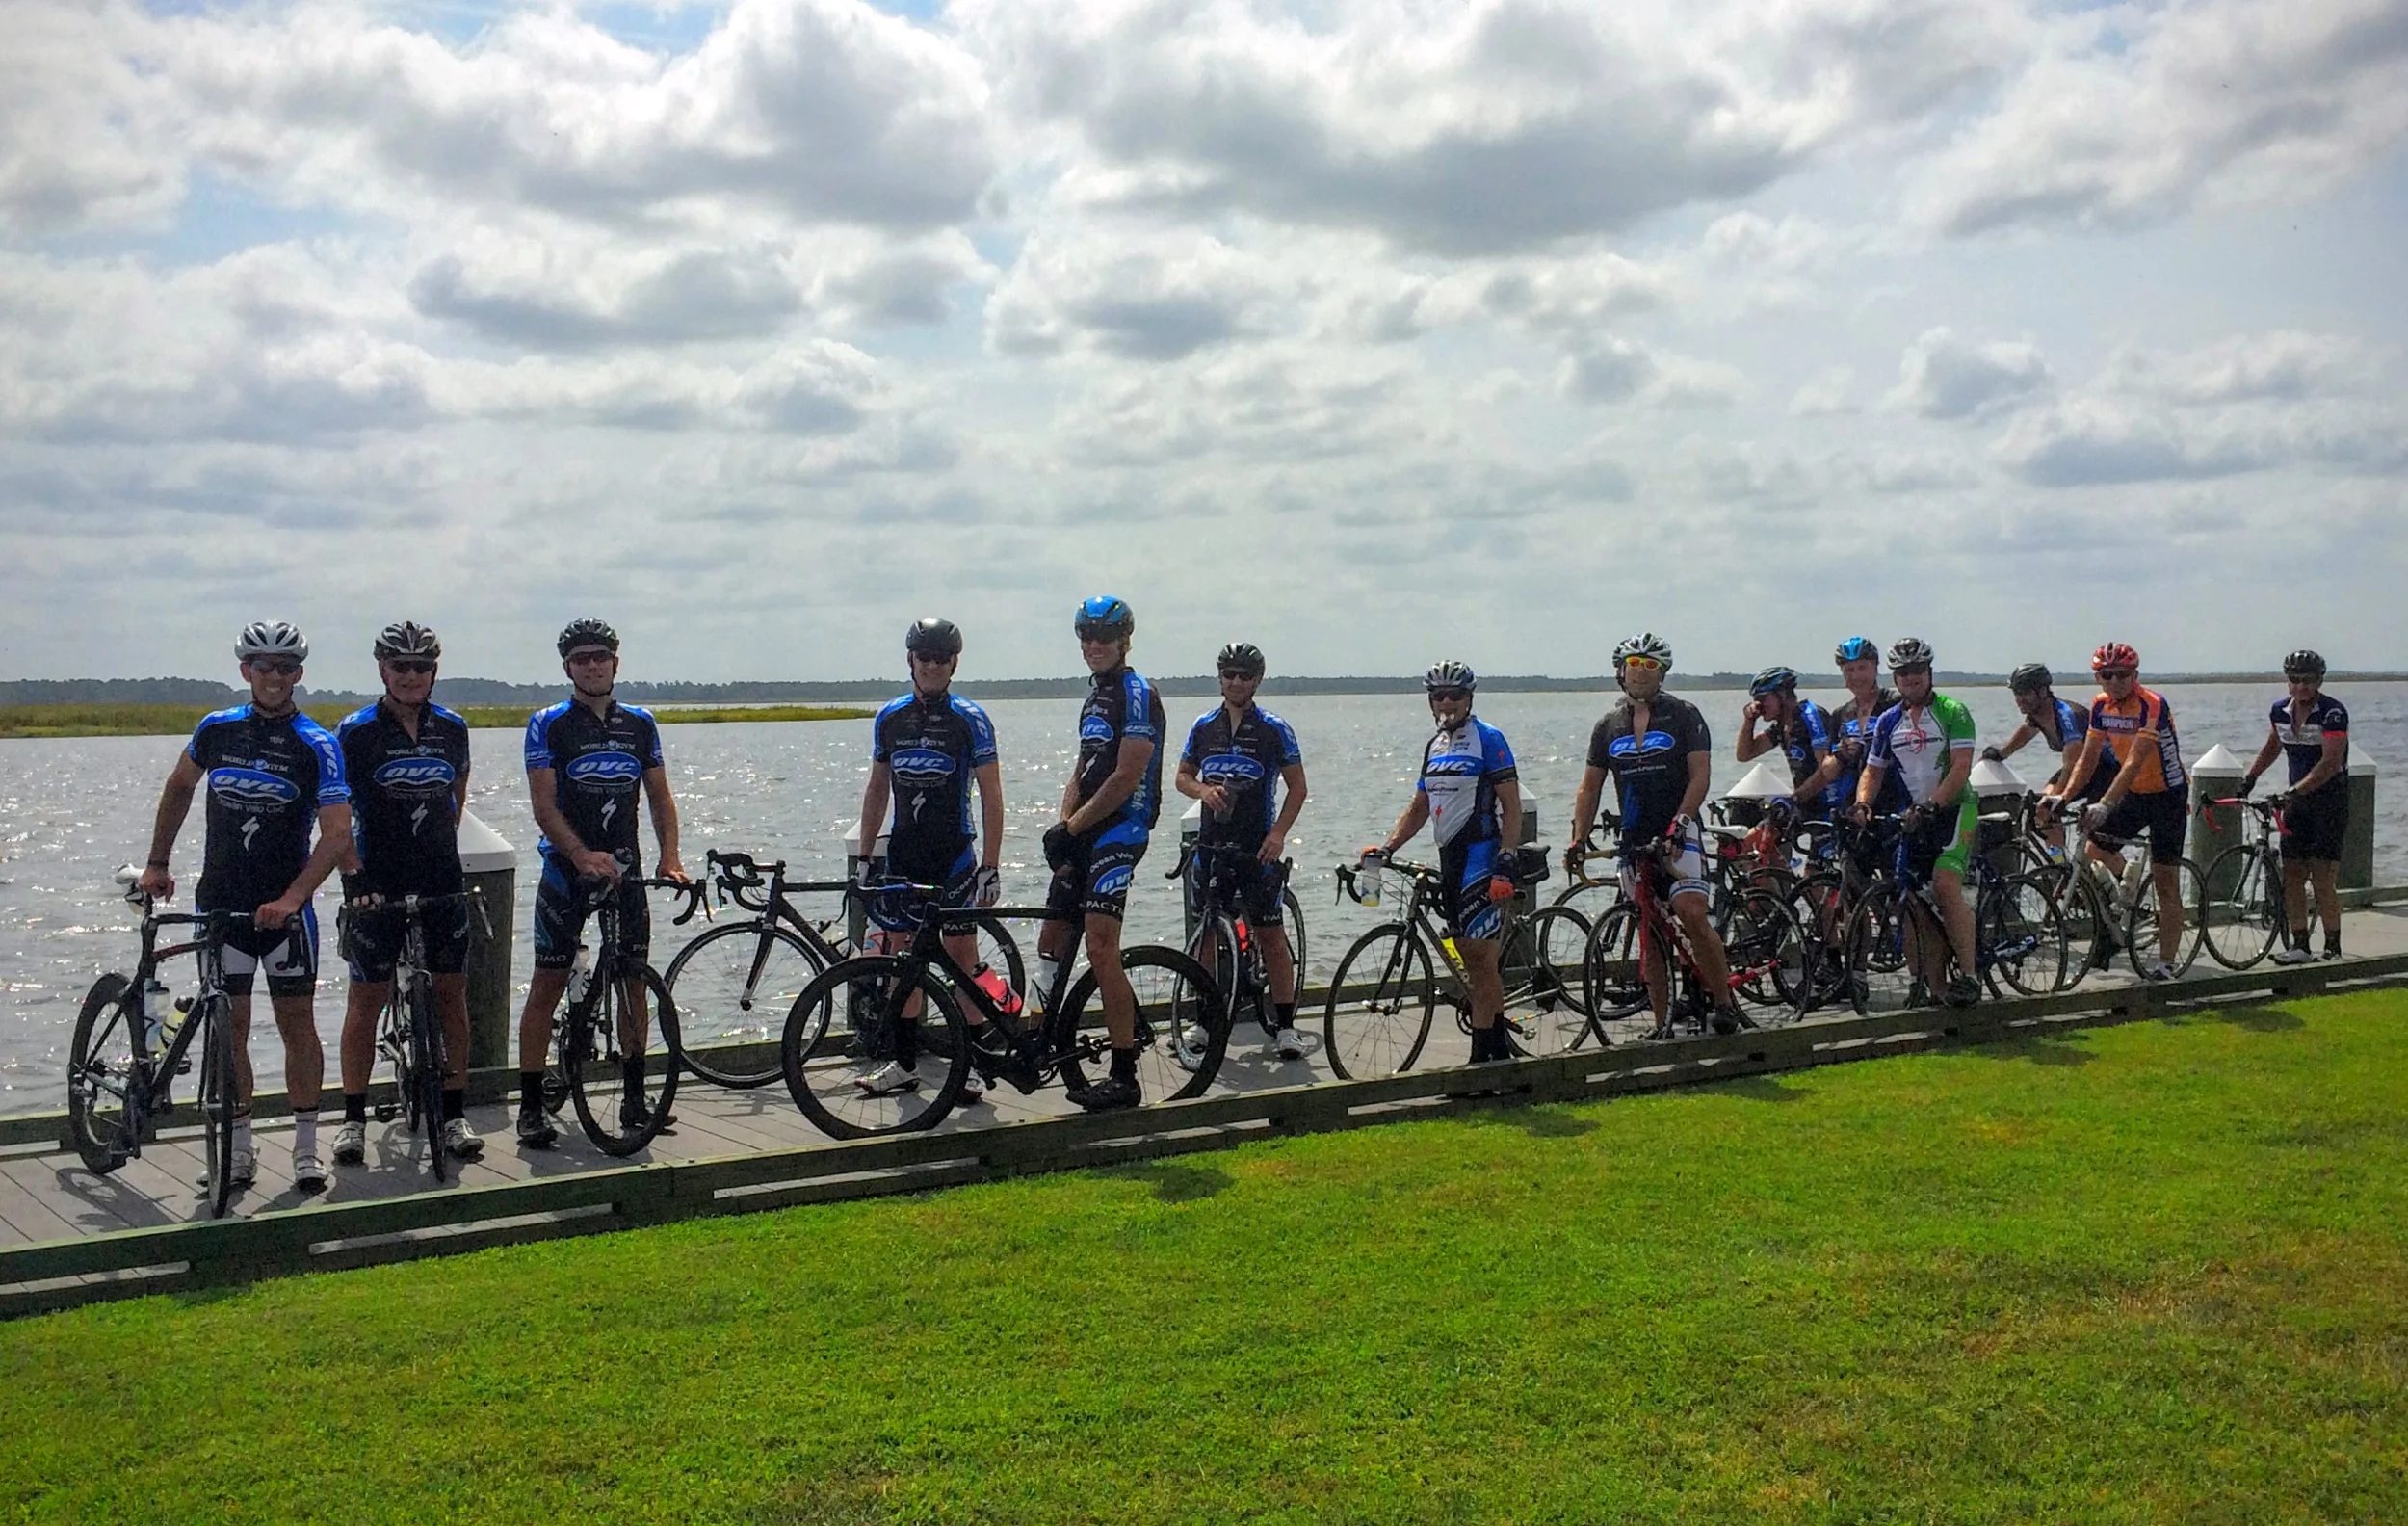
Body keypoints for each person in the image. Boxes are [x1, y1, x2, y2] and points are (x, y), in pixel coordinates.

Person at [135, 620, 351, 1192]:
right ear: (245, 672)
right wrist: (158, 861)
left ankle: (306, 1149)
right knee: (230, 1028)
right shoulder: (217, 729)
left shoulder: (317, 743)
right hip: (222, 905)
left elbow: (335, 835)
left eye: (285, 668)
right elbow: (180, 786)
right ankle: (238, 1150)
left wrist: (293, 898)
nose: (274, 677)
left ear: (298, 674)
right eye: (263, 667)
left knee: (297, 1025)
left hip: (285, 911)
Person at [514, 618, 689, 1147]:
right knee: (547, 982)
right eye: (581, 658)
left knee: (634, 983)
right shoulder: (548, 723)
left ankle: (635, 1099)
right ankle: (529, 1107)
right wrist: (578, 854)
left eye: (601, 656)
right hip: (567, 870)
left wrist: (670, 858)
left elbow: (659, 796)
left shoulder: (641, 723)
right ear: (568, 666)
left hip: (625, 867)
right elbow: (544, 805)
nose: (593, 665)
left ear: (617, 661)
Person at [333, 621, 481, 1166]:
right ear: (383, 671)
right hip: (378, 882)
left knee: (451, 996)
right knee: (365, 1000)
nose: (412, 676)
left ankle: (456, 1110)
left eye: (422, 667)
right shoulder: (355, 731)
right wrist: (355, 877)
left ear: (434, 671)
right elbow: (336, 813)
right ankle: (352, 1119)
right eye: (402, 667)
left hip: (441, 876)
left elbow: (455, 796)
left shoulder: (454, 728)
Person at [851, 618, 1006, 1098]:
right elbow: (877, 788)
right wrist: (864, 856)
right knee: (901, 956)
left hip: (953, 854)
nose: (933, 666)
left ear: (954, 664)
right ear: (911, 661)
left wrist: (991, 866)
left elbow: (992, 795)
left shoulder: (970, 719)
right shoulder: (890, 718)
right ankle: (903, 1062)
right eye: (925, 658)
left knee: (963, 958)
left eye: (942, 658)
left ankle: (976, 1063)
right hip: (905, 853)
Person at [1567, 634, 1745, 1039]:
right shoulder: (1607, 726)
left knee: (1693, 914)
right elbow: (1589, 788)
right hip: (1634, 839)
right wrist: (1578, 839)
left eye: (1649, 666)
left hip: (1678, 834)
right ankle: (1662, 1023)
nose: (1641, 672)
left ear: (1662, 672)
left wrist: (1680, 823)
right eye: (1634, 664)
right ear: (1621, 671)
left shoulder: (1684, 714)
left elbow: (1700, 777)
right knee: (1647, 928)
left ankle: (1722, 1001)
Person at [1040, 596, 1166, 1112]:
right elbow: (1082, 769)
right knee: (1051, 939)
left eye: (1104, 638)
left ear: (1124, 641)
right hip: (1087, 830)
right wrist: (1063, 829)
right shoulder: (1093, 698)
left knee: (1099, 946)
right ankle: (1042, 1035)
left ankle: (1124, 1073)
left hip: (1123, 831)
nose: (1094, 646)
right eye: (1086, 638)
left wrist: (1074, 826)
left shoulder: (1139, 695)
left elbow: (1125, 776)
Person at [1361, 661, 1524, 1062]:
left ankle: (1484, 1060)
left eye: (1455, 695)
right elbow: (1419, 806)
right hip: (1449, 857)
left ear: (1470, 698)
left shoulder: (1489, 739)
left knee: (1479, 958)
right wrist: (1388, 848)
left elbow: (1512, 806)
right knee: (1470, 956)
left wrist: (1505, 862)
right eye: (1439, 696)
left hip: (1482, 856)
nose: (1447, 702)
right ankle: (1498, 1054)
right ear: (1431, 702)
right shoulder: (1434, 746)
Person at [1175, 642, 1309, 1060]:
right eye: (1229, 674)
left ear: (1257, 681)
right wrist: (1202, 790)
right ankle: (1202, 1022)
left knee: (1271, 935)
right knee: (1206, 937)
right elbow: (1181, 777)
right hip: (1212, 846)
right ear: (1220, 678)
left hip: (1257, 847)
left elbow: (1298, 788)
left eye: (1244, 676)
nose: (1236, 682)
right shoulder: (1203, 726)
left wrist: (1279, 835)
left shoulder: (1273, 728)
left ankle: (1286, 1026)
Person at [2042, 642, 2188, 982]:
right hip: (2136, 795)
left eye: (2123, 675)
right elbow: (2088, 758)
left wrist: (2105, 805)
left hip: (2168, 795)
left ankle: (2166, 963)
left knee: (2166, 882)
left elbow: (2136, 761)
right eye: (2107, 675)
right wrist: (2063, 798)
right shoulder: (2100, 706)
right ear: (2098, 678)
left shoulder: (2151, 704)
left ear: (2135, 675)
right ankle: (2124, 899)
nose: (2115, 681)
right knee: (2094, 849)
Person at [1854, 638, 1982, 1008]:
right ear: (1894, 677)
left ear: (1928, 673)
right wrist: (1863, 804)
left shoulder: (1953, 711)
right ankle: (1931, 985)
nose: (1910, 678)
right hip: (1915, 818)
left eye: (1916, 671)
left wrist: (1933, 804)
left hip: (1956, 809)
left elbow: (1961, 767)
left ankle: (1971, 976)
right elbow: (1873, 771)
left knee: (1944, 884)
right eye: (1902, 673)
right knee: (1908, 901)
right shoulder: (1888, 721)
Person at [2241, 649, 2350, 963]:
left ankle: (2333, 948)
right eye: (2295, 680)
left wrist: (2293, 791)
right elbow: (2274, 744)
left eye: (2309, 681)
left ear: (2319, 681)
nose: (2301, 687)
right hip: (2297, 804)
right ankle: (2300, 945)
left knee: (2322, 877)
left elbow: (2329, 763)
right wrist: (2251, 777)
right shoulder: (2279, 710)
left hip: (2329, 801)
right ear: (2287, 681)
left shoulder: (2333, 713)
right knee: (2292, 876)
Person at [1985, 662, 2118, 852]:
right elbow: (2026, 732)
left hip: (2106, 772)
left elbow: (2071, 765)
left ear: (2042, 691)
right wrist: (2000, 754)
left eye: (2024, 693)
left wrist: (2059, 798)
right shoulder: (2037, 714)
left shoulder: (2067, 716)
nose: (2019, 699)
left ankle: (2116, 873)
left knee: (2092, 834)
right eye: (2016, 693)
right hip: (2082, 769)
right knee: (2042, 811)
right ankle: (2059, 866)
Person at [1735, 665, 1845, 816]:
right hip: (1805, 804)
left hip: (1830, 807)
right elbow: (1744, 755)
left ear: (1782, 694)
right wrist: (1749, 720)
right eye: (1755, 700)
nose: (1757, 705)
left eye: (1762, 699)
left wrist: (1794, 799)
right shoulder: (1780, 727)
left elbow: (1826, 770)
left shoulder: (1811, 715)